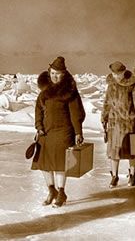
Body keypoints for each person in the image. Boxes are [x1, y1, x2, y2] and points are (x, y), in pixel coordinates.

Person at [32, 56, 85, 207]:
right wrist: (39, 127)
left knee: (60, 164)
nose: (55, 76)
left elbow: (76, 114)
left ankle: (61, 192)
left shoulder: (70, 92)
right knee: (45, 164)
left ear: (64, 74)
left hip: (64, 132)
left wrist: (78, 132)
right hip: (46, 133)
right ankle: (51, 190)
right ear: (49, 73)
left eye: (58, 73)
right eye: (53, 73)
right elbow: (38, 111)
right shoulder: (44, 91)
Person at [101, 61, 135, 188]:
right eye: (114, 74)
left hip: (130, 123)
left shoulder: (132, 85)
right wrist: (104, 118)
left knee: (132, 151)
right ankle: (114, 176)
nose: (116, 76)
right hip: (114, 124)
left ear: (123, 72)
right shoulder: (111, 86)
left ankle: (132, 175)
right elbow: (107, 104)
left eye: (118, 74)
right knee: (114, 152)